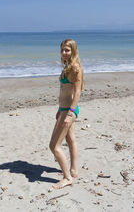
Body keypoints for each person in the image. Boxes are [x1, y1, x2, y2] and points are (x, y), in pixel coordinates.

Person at [49, 39, 84, 189]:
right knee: (70, 140)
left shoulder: (75, 68)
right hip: (64, 109)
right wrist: (60, 109)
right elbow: (65, 92)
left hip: (69, 110)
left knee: (54, 146)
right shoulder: (67, 67)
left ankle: (67, 178)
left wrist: (69, 114)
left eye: (67, 50)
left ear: (73, 51)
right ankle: (74, 170)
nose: (64, 52)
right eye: (62, 50)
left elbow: (77, 92)